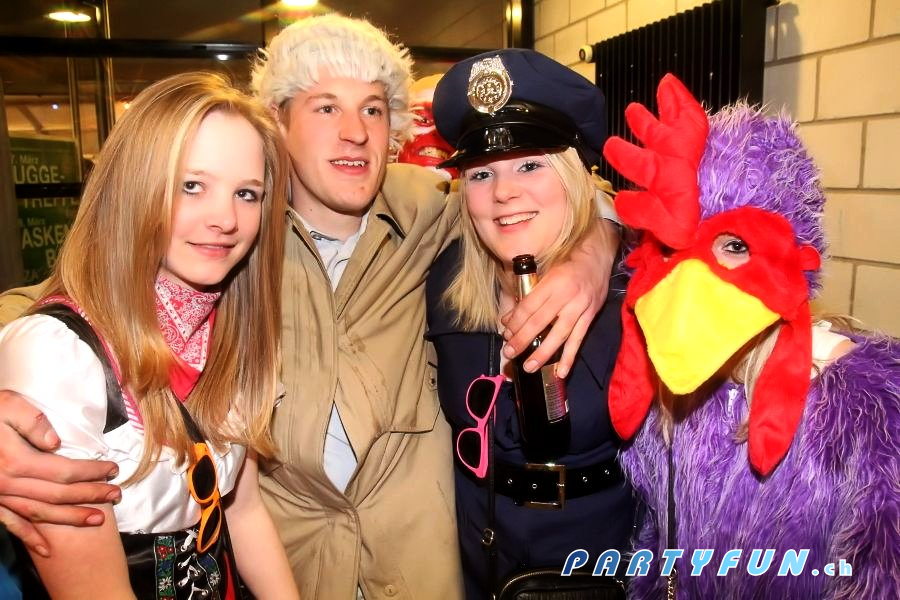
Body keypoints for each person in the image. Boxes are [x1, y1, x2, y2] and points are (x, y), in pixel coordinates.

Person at [0, 15, 620, 599]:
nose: (356, 131)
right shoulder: (229, 239)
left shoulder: (434, 209)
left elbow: (550, 189)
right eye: (326, 107)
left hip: (419, 568)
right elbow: (71, 303)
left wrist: (592, 254)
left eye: (372, 109)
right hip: (292, 567)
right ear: (277, 120)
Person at [0, 72, 298, 598]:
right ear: (132, 189)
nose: (226, 218)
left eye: (247, 193)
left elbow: (244, 509)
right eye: (191, 185)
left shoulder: (229, 334)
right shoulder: (58, 356)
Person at [604, 74, 898, 599]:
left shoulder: (864, 408)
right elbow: (658, 545)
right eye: (673, 252)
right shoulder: (668, 393)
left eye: (734, 246)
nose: (697, 279)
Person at [426, 49, 636, 598]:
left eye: (529, 165)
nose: (503, 193)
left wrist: (600, 243)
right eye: (481, 173)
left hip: (595, 564)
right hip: (474, 560)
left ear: (573, 175)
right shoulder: (444, 279)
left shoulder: (637, 291)